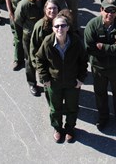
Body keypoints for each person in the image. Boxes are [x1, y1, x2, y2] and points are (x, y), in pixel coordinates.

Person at [35, 11, 87, 143]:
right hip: (54, 83)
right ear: (53, 28)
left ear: (68, 27)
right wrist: (44, 78)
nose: (60, 29)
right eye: (57, 26)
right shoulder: (47, 42)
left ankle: (70, 129)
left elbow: (83, 61)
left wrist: (81, 79)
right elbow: (39, 59)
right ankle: (57, 128)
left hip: (72, 83)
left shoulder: (75, 42)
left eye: (63, 26)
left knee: (72, 107)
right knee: (55, 109)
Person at [84, 0, 116, 131]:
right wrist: (113, 49)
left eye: (113, 11)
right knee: (100, 94)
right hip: (99, 68)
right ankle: (103, 117)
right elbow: (90, 49)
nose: (110, 14)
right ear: (101, 10)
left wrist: (103, 47)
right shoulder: (92, 25)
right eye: (107, 10)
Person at [13, 0, 50, 92]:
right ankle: (32, 83)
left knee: (45, 59)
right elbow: (18, 20)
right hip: (29, 37)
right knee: (30, 60)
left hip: (45, 36)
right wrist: (28, 29)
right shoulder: (24, 4)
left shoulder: (48, 1)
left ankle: (44, 79)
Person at [3, 0, 34, 71]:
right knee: (18, 37)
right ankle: (18, 59)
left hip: (30, 13)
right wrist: (10, 12)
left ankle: (31, 58)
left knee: (30, 37)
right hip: (16, 14)